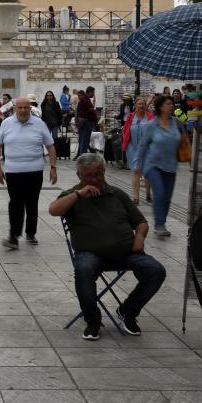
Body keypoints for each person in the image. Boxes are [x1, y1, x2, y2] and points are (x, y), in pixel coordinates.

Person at [49, 153, 166, 340]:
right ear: (80, 176)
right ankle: (92, 320)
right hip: (90, 253)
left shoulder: (117, 194)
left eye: (98, 174)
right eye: (89, 176)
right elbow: (54, 210)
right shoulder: (73, 195)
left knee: (156, 270)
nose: (95, 179)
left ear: (104, 172)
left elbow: (141, 222)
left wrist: (140, 238)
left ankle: (128, 311)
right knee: (84, 269)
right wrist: (79, 194)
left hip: (126, 252)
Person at [0, 96, 57, 249]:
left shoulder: (39, 124)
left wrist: (53, 167)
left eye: (25, 108)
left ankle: (30, 232)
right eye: (19, 108)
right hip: (13, 171)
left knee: (32, 203)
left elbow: (50, 146)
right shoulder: (7, 123)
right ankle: (14, 236)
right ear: (15, 109)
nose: (22, 110)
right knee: (15, 203)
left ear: (30, 108)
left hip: (34, 171)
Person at [135, 94, 181, 238]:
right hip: (153, 165)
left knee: (167, 197)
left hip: (171, 165)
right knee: (159, 193)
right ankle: (159, 225)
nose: (171, 106)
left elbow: (183, 142)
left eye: (172, 104)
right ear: (160, 107)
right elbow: (142, 146)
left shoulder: (177, 123)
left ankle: (162, 222)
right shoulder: (151, 125)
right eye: (168, 104)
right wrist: (138, 163)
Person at [123, 96, 154, 204]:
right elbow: (126, 130)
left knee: (147, 172)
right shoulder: (131, 116)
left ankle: (148, 194)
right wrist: (125, 143)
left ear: (146, 106)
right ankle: (136, 198)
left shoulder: (150, 116)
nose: (141, 106)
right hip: (133, 147)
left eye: (143, 104)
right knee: (136, 170)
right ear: (135, 106)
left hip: (148, 148)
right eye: (139, 104)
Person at [75, 87, 97, 156]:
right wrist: (96, 116)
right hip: (87, 122)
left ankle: (81, 155)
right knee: (85, 140)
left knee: (82, 139)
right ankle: (83, 156)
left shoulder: (83, 100)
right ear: (89, 92)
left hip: (82, 122)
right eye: (93, 92)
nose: (93, 94)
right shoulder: (86, 100)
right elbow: (91, 110)